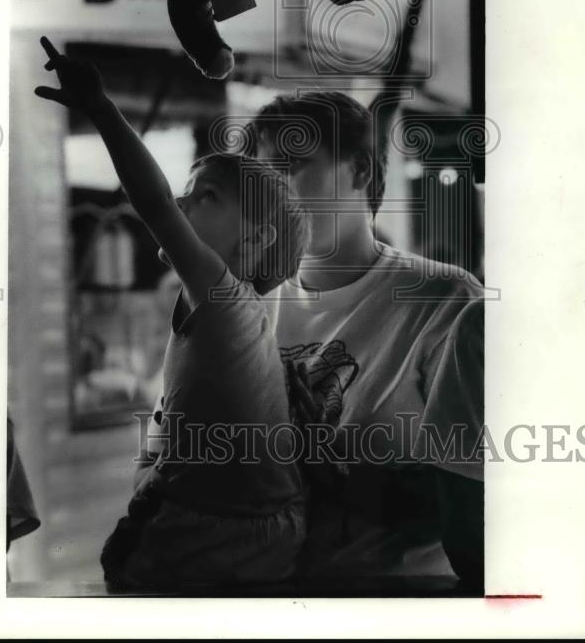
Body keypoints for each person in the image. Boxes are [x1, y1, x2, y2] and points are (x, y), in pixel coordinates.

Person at [35, 37, 309, 590]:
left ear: (253, 243)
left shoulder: (228, 301)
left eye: (204, 196)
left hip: (224, 540)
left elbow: (155, 202)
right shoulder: (230, 308)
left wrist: (102, 109)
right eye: (189, 193)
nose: (183, 204)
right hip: (225, 527)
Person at [247, 90, 485, 592]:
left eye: (292, 167)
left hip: (404, 597)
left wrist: (325, 469)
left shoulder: (443, 300)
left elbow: (471, 489)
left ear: (358, 171)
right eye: (263, 175)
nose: (273, 191)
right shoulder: (249, 305)